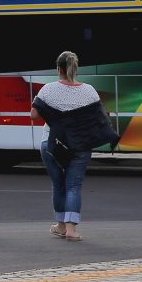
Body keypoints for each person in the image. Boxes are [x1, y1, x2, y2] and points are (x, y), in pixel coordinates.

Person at [32, 52, 109, 240]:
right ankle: (72, 230)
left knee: (59, 186)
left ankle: (60, 226)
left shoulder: (48, 89)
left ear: (59, 69)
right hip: (80, 144)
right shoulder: (89, 90)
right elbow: (100, 117)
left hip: (52, 144)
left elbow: (34, 115)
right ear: (75, 68)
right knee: (74, 185)